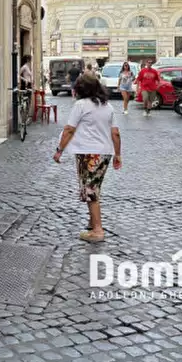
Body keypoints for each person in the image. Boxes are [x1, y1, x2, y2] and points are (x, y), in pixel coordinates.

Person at [53, 74, 122, 243]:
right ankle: (92, 223)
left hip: (87, 153)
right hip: (105, 153)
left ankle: (98, 230)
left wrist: (59, 150)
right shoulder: (108, 106)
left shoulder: (81, 105)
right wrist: (118, 154)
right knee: (94, 187)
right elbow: (115, 133)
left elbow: (69, 129)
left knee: (90, 190)